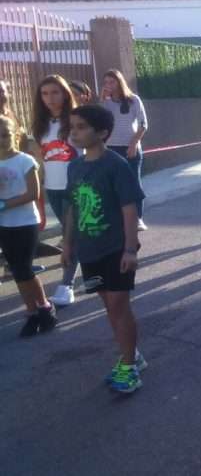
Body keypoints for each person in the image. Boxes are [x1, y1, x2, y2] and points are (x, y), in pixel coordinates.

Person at [64, 105, 145, 392]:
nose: (74, 132)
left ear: (102, 133)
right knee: (109, 307)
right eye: (72, 126)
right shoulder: (74, 166)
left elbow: (128, 208)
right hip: (89, 251)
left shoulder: (116, 165)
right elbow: (72, 207)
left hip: (115, 249)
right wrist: (67, 243)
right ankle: (131, 354)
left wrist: (130, 249)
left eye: (82, 126)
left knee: (118, 306)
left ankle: (129, 366)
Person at [0, 115, 57, 338]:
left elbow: (33, 194)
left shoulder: (25, 161)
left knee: (24, 268)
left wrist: (4, 204)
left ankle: (44, 306)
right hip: (4, 225)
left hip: (25, 223)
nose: (1, 140)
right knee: (16, 270)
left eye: (5, 135)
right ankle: (32, 312)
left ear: (14, 135)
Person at [30, 75, 79, 306]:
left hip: (75, 188)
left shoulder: (77, 119)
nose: (50, 98)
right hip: (53, 187)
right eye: (45, 93)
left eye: (55, 92)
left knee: (70, 237)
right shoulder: (41, 124)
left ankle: (66, 285)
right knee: (74, 234)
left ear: (65, 93)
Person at [99, 69, 148, 230]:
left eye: (112, 82)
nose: (108, 85)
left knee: (133, 183)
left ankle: (138, 218)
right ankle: (118, 218)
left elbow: (143, 124)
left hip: (130, 148)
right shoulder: (106, 102)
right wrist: (101, 99)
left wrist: (133, 144)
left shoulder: (133, 100)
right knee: (113, 185)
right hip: (111, 148)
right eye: (106, 82)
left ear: (119, 82)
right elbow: (99, 122)